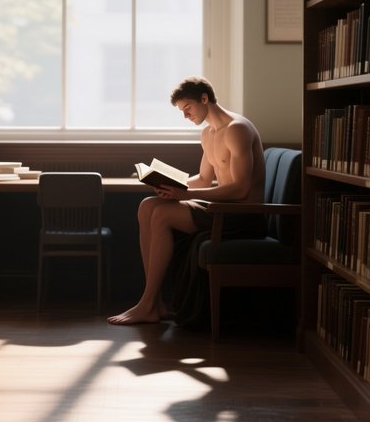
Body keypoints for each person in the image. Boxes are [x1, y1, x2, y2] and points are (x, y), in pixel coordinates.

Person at [108, 76, 266, 326]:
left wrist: (186, 195)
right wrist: (169, 184)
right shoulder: (209, 134)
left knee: (162, 214)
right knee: (148, 205)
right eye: (182, 111)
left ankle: (147, 303)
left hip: (242, 215)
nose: (185, 116)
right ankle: (155, 303)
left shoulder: (237, 129)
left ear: (204, 98)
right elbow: (204, 179)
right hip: (220, 207)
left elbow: (240, 189)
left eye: (187, 108)